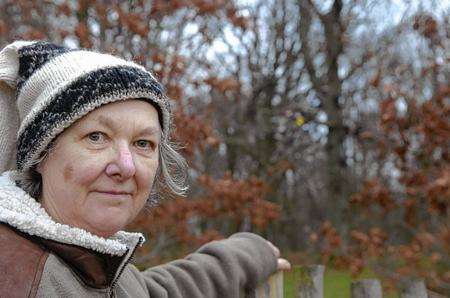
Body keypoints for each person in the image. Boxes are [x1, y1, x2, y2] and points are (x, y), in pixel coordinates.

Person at [0, 40, 290, 297]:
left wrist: (243, 256)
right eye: (97, 137)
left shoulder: (88, 265)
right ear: (40, 155)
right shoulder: (16, 278)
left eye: (143, 143)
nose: (126, 166)